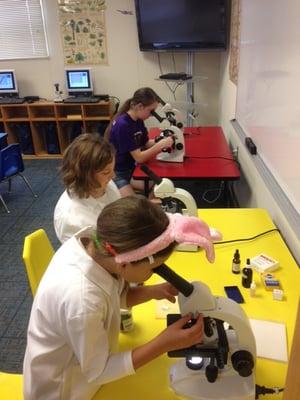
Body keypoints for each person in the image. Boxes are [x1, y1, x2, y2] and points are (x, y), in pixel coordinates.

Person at [24, 196, 220, 400]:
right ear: (124, 264)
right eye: (153, 269)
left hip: (86, 364)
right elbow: (99, 371)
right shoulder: (82, 301)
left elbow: (112, 297)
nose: (153, 275)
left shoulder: (95, 246)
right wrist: (164, 343)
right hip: (64, 389)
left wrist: (154, 291)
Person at [104, 87, 173, 197]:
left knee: (162, 186)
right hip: (117, 173)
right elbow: (139, 157)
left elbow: (145, 143)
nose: (152, 115)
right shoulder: (123, 125)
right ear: (140, 106)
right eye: (151, 111)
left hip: (132, 169)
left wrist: (162, 140)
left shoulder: (138, 121)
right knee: (134, 207)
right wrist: (160, 146)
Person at [54, 133, 120, 243]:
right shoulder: (72, 219)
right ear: (85, 176)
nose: (113, 176)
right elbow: (89, 258)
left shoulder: (106, 184)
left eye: (112, 169)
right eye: (106, 172)